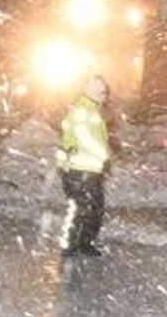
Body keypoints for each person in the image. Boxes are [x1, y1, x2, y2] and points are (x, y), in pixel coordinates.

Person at [56, 75, 114, 258]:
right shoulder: (83, 111)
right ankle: (72, 244)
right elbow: (85, 138)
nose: (105, 96)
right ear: (94, 92)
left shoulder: (90, 111)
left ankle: (83, 243)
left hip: (88, 170)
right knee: (84, 208)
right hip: (81, 170)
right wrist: (104, 156)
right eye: (103, 92)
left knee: (91, 208)